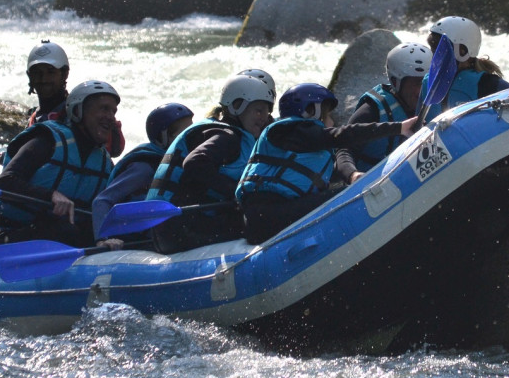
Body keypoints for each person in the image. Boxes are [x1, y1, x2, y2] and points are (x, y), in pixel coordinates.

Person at [236, 83, 418, 244]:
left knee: (342, 190)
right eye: (327, 115)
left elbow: (340, 163)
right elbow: (342, 135)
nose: (331, 121)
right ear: (310, 111)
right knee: (349, 196)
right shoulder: (287, 132)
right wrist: (398, 128)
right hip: (265, 215)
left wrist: (353, 175)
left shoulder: (308, 146)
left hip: (273, 213)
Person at [146, 73, 276, 253]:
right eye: (258, 110)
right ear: (237, 107)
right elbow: (194, 162)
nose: (264, 117)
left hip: (170, 228)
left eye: (267, 111)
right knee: (264, 222)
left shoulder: (224, 132)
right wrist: (236, 192)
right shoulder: (226, 137)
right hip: (179, 228)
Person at [0, 80, 120, 249]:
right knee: (65, 231)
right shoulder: (46, 140)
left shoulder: (104, 162)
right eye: (104, 109)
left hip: (63, 237)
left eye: (113, 111)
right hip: (13, 233)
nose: (111, 117)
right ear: (78, 110)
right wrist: (50, 196)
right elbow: (5, 182)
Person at [91, 102, 194, 250]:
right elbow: (101, 201)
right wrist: (103, 240)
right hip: (131, 240)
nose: (192, 137)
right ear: (163, 138)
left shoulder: (183, 163)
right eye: (184, 134)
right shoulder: (144, 167)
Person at [0, 40, 71, 168]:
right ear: (30, 76)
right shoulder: (35, 118)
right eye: (37, 73)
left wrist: (0, 158)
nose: (43, 79)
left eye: (50, 72)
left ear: (64, 74)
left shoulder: (75, 115)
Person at [336, 42, 432, 175]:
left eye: (426, 82)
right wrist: (352, 175)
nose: (421, 91)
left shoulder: (435, 100)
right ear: (395, 82)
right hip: (373, 184)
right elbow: (344, 148)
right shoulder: (373, 110)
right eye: (415, 83)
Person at [423, 16, 509, 117]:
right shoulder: (428, 81)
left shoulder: (487, 83)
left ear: (463, 51)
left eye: (440, 48)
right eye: (433, 48)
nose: (435, 55)